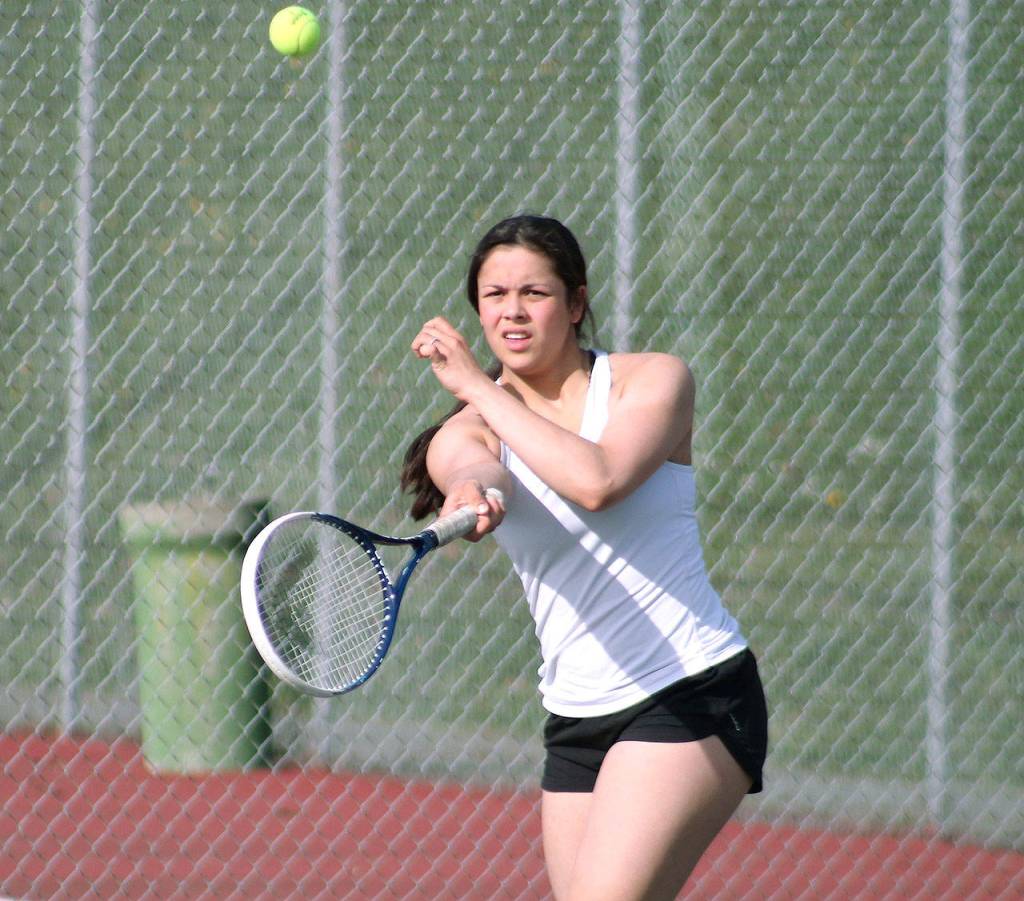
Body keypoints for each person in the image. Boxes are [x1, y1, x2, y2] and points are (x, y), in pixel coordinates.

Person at [401, 214, 768, 901]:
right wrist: (474, 489)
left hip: (688, 688)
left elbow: (598, 480)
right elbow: (473, 467)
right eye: (493, 294)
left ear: (575, 303)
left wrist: (478, 386)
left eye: (533, 293)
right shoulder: (467, 429)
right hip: (575, 719)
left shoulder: (651, 381)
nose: (511, 310)